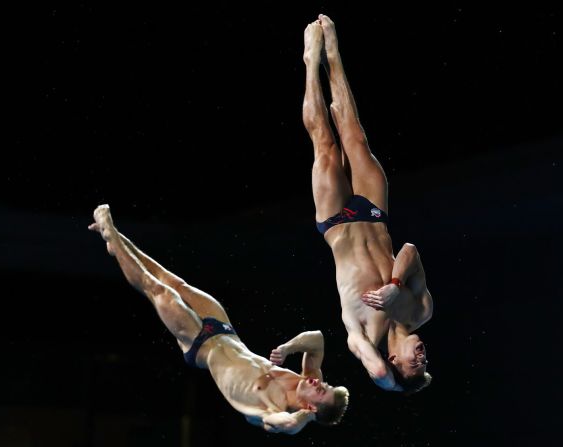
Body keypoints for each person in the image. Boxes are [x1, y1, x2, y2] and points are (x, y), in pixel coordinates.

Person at [88, 204, 349, 433]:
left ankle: (111, 234)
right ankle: (118, 243)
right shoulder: (307, 376)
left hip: (200, 346)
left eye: (320, 391)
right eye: (324, 384)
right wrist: (288, 348)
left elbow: (288, 425)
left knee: (158, 291)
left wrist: (304, 417)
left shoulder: (271, 409)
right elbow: (317, 339)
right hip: (224, 331)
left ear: (309, 408)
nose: (318, 382)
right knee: (175, 283)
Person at [301, 15, 433, 395]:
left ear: (394, 363)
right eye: (425, 362)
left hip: (336, 223)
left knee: (323, 142)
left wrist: (391, 383)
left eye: (415, 365)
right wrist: (394, 285)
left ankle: (310, 64)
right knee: (353, 134)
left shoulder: (363, 336)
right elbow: (410, 251)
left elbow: (373, 370)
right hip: (374, 213)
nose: (422, 358)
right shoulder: (420, 312)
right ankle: (334, 54)